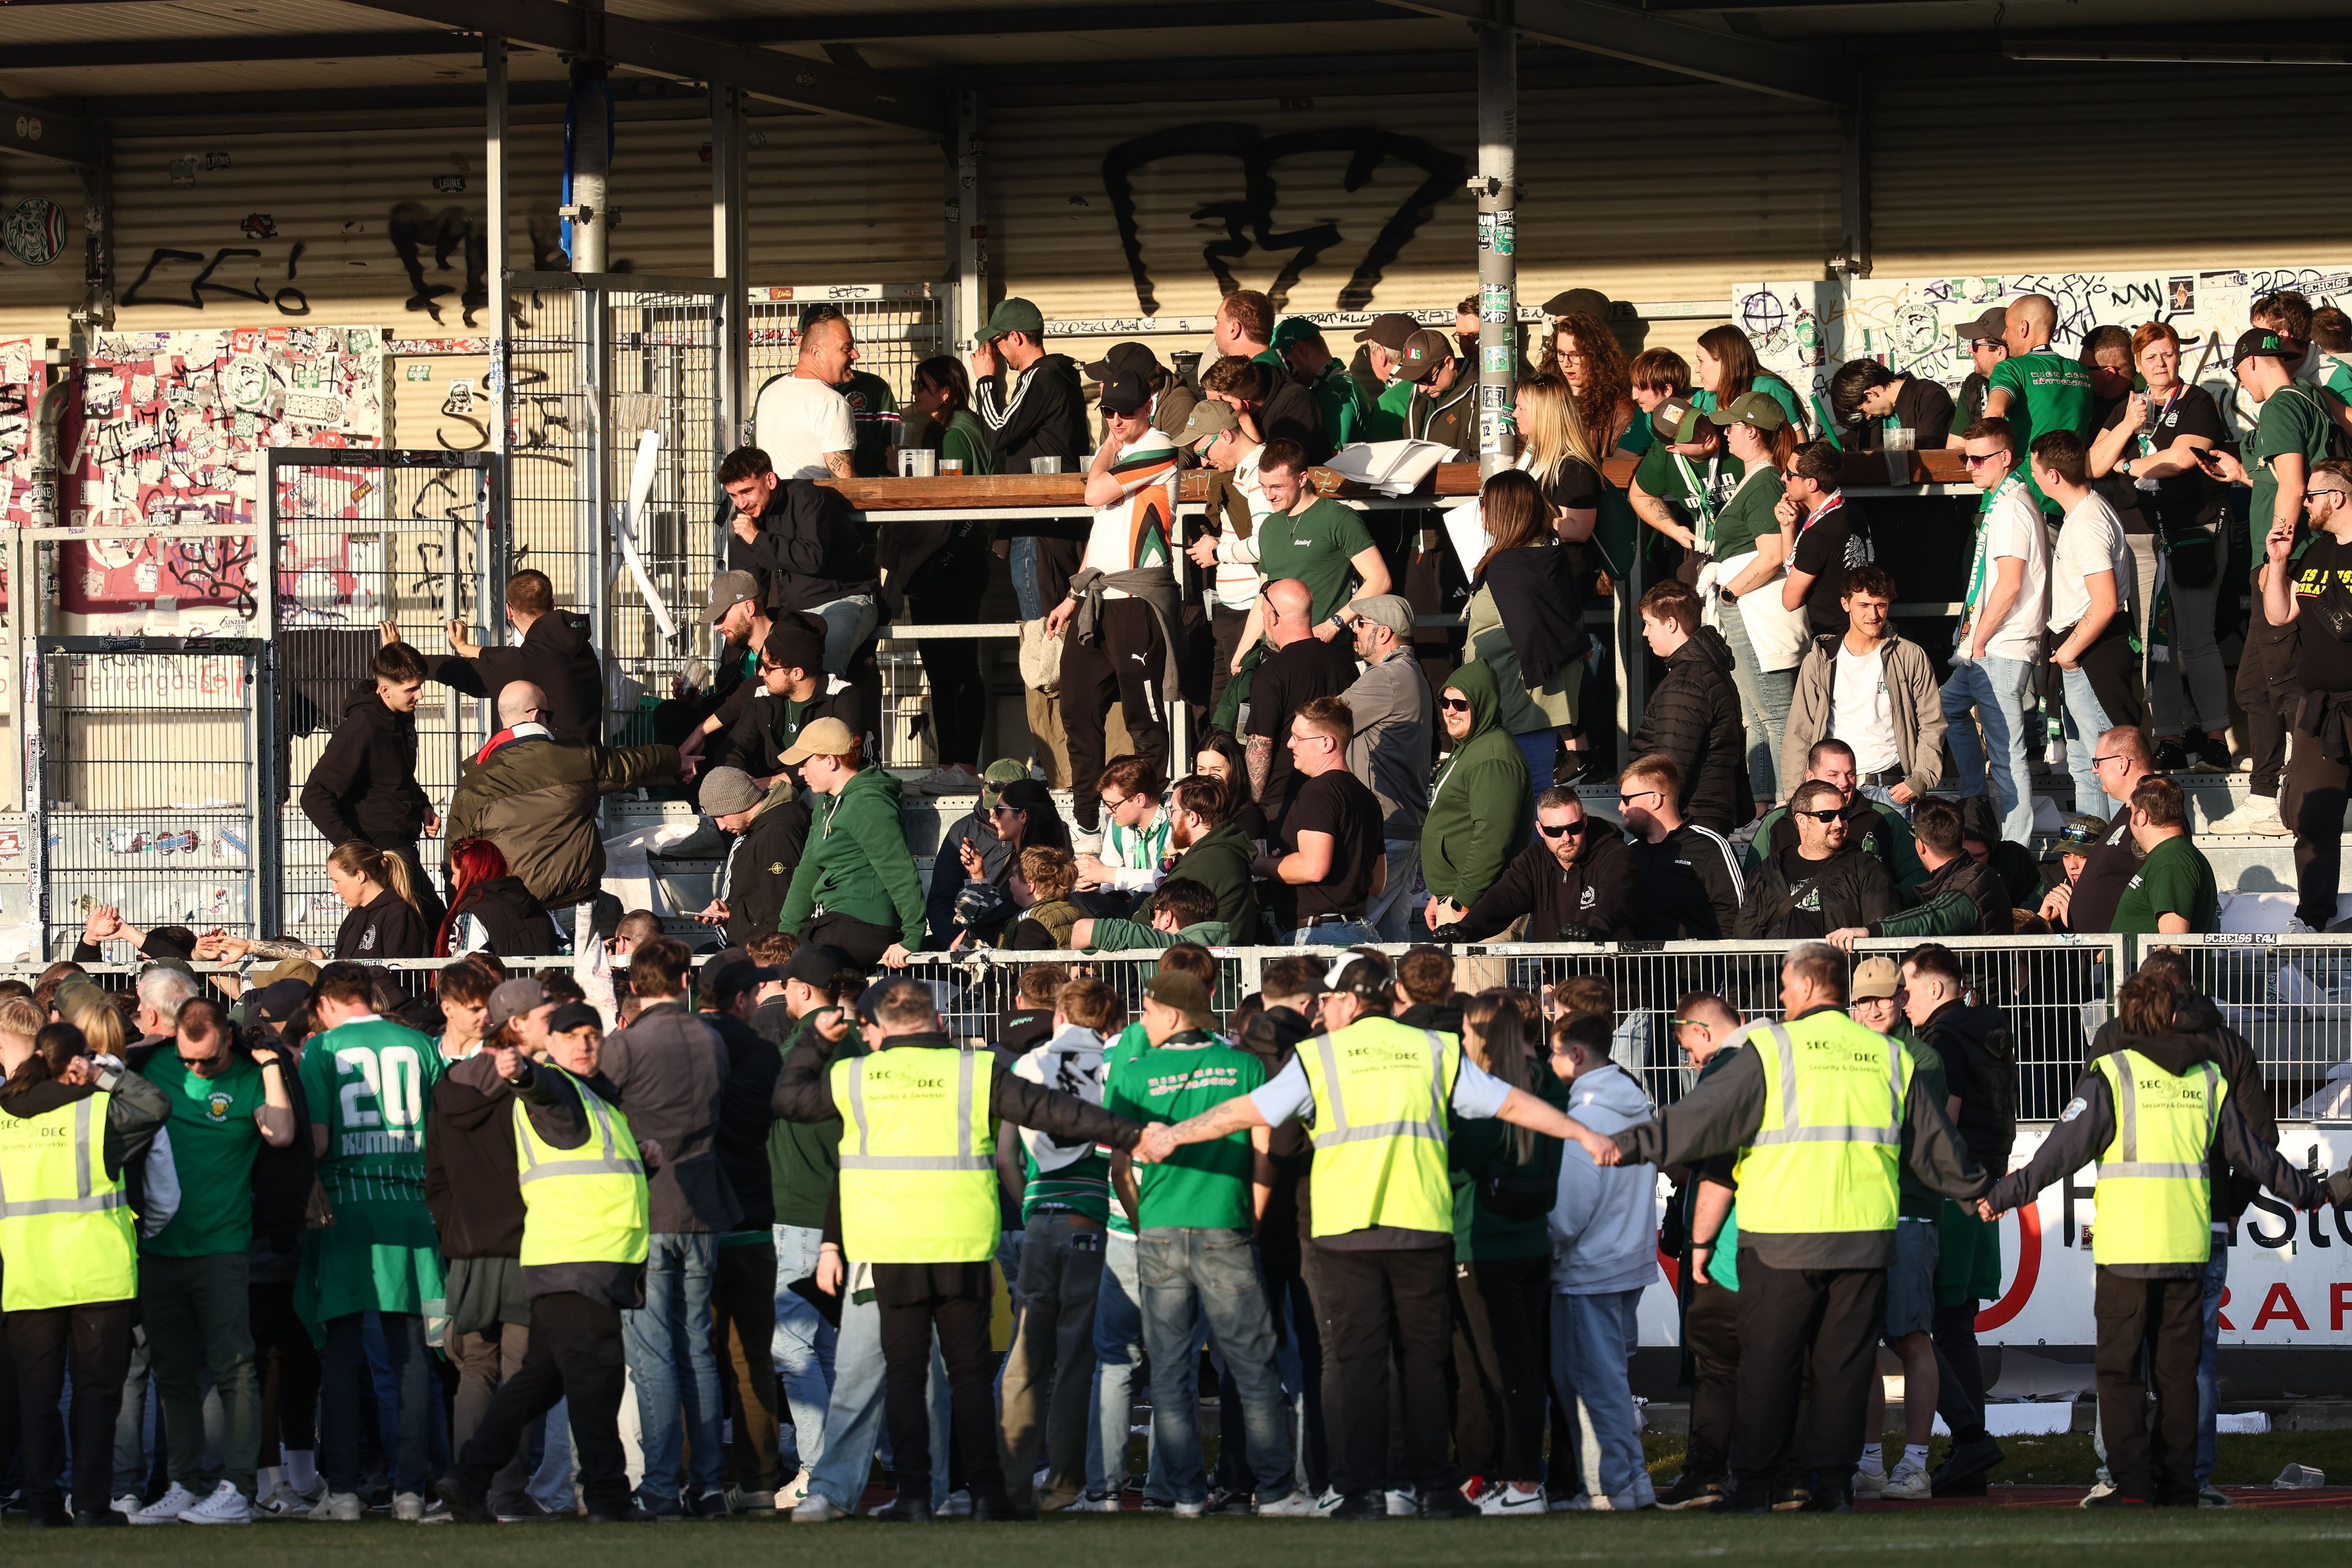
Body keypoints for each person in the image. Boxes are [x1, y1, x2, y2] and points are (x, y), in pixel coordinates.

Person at [1133, 954, 1611, 1522]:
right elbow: (1511, 1102)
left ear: (1353, 1002)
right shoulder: (1436, 1050)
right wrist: (1581, 1130)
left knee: (1355, 1363)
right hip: (1422, 1226)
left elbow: (1247, 1112)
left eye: (1331, 999)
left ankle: (1357, 1486)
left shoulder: (1319, 1056)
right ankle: (1430, 1484)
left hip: (1345, 1230)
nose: (1323, 1008)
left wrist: (1173, 1136)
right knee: (1425, 1363)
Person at [1603, 943, 1989, 1513]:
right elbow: (1938, 1148)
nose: (1780, 996)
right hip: (1863, 1239)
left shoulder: (1770, 1048)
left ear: (1807, 987)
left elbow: (1702, 1121)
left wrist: (1627, 1143)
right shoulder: (1887, 1057)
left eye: (1785, 985)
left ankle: (1755, 1484)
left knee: (1768, 1365)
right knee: (1842, 1368)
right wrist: (1983, 1193)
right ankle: (1827, 1485)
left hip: (1781, 1237)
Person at [771, 978, 1144, 1523]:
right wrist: (1134, 1133)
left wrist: (816, 1042)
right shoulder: (974, 1070)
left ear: (876, 1030)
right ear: (938, 1021)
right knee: (968, 1375)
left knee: (904, 1374)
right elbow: (1057, 1113)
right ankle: (986, 1492)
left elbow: (787, 1098)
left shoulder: (856, 1075)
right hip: (962, 1244)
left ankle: (917, 1495)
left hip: (890, 1246)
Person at [1982, 971, 2347, 1507]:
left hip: (2127, 1250)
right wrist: (2311, 1194)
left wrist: (2005, 1194)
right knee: (2181, 1373)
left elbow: (2059, 1153)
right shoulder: (2207, 1080)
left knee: (2120, 1369)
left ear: (2129, 1017)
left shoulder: (2114, 1073)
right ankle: (2182, 1486)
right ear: (2175, 1015)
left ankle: (2128, 1484)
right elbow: (2257, 1156)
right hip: (2191, 1249)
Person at [436, 1001, 654, 1525]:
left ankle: (468, 1479)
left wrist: (642, 1163)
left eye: (591, 1034)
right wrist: (525, 1072)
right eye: (571, 1034)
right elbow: (542, 1091)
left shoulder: (598, 1098)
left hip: (579, 1261)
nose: (584, 1043)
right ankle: (607, 1497)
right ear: (549, 1043)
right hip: (577, 1260)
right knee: (595, 1381)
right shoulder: (558, 1089)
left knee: (542, 1380)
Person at [1099, 971, 1301, 1514]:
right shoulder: (1243, 1065)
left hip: (1161, 1228)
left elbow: (1122, 1170)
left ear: (1170, 1014)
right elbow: (1264, 1153)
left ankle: (1185, 1494)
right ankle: (1277, 1490)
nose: (1142, 1021)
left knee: (1168, 1370)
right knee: (1253, 1364)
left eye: (1147, 1010)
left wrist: (1146, 1226)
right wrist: (1252, 1219)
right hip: (1227, 1225)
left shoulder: (1137, 1073)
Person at [126, 996, 298, 1526]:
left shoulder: (252, 1074)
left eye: (204, 1059)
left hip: (222, 1248)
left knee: (236, 1367)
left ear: (226, 1035)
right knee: (173, 1371)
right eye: (186, 1060)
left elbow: (283, 1134)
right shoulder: (155, 1063)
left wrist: (270, 1063)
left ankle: (240, 1490)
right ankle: (184, 1482)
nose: (194, 1068)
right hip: (157, 1247)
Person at [0, 1003, 171, 1528]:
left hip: (29, 1276)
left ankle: (43, 1502)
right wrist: (100, 1071)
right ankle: (94, 1503)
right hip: (99, 1275)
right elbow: (155, 1103)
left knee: (37, 1396)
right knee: (98, 1396)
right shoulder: (98, 1113)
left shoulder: (4, 1114)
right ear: (73, 1060)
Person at [596, 937, 739, 1518]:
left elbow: (603, 1117)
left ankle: (660, 1483)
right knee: (697, 1348)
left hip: (649, 1210)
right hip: (703, 1205)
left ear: (634, 985)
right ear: (685, 981)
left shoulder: (625, 1046)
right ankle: (706, 1483)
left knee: (652, 1349)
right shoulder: (712, 1039)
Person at [297, 961, 446, 1521]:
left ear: (326, 1003)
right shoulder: (419, 1045)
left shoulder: (321, 1051)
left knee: (340, 1350)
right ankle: (411, 1490)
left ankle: (342, 1492)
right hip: (410, 1208)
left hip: (345, 1206)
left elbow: (315, 1138)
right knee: (410, 1351)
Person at [425, 977, 552, 1524]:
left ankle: (472, 1486)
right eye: (545, 1011)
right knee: (522, 1370)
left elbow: (436, 1175)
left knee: (476, 1368)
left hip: (470, 1247)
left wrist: (457, 1228)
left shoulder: (450, 1083)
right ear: (517, 1023)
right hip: (527, 1243)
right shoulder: (532, 1087)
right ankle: (505, 1491)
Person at [994, 977, 1118, 1512]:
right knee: (1075, 1360)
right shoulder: (1114, 1065)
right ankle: (1064, 1483)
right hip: (1090, 1214)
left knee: (1025, 1357)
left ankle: (1009, 1483)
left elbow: (1005, 1157)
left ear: (1059, 1015)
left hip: (1039, 1211)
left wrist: (1030, 1203)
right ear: (1108, 1020)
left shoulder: (1025, 1066)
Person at [2210, 331, 2341, 835]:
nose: (2241, 382)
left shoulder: (2280, 407)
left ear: (2252, 362)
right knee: (2255, 683)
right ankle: (2279, 787)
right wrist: (2245, 475)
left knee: (2275, 683)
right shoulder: (2310, 398)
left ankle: (2274, 795)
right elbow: (2284, 476)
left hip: (2285, 561)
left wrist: (2276, 561)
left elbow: (2292, 483)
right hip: (2302, 557)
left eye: (2239, 370)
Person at [1044, 367, 1183, 840]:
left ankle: (1148, 815)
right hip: (1099, 597)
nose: (1117, 420)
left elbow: (1093, 492)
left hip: (1136, 600)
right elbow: (1101, 531)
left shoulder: (1158, 446)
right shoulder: (1125, 452)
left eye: (1126, 411)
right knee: (1077, 707)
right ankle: (1088, 818)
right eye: (1108, 412)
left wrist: (1108, 444)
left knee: (1144, 718)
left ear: (1149, 406)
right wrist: (1073, 595)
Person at [2089, 322, 2231, 774]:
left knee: (2196, 638)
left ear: (2179, 356)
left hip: (2193, 532)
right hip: (2140, 536)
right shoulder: (2128, 406)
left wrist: (2128, 461)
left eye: (2167, 354)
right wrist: (2128, 425)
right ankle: (2168, 736)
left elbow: (2183, 458)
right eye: (2150, 357)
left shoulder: (2197, 401)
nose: (2160, 363)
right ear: (2137, 363)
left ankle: (2214, 736)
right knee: (2156, 644)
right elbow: (2093, 463)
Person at [753, 942, 861, 1509]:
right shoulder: (857, 1038)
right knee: (823, 1348)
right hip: (838, 1209)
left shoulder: (808, 1042)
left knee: (792, 1347)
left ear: (800, 989)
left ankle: (820, 1471)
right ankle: (843, 1465)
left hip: (802, 1209)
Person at [1839, 958, 1944, 1505]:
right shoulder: (1850, 1054)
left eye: (1884, 997)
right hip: (1856, 1214)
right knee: (1861, 1345)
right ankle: (1872, 1461)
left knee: (1909, 1339)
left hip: (1906, 1213)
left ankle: (1917, 1462)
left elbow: (1926, 1141)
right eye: (1864, 1000)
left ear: (1904, 999)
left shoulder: (1921, 1057)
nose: (1874, 1007)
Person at [1545, 1011, 1659, 1512]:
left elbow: (1568, 1209)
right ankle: (1629, 1480)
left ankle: (1609, 1486)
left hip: (1587, 1267)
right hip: (1626, 1259)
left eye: (1554, 1052)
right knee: (1611, 1381)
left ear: (1575, 1054)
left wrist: (1545, 1249)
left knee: (1591, 1384)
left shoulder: (1586, 1112)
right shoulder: (1633, 1102)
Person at [443, 681, 677, 915]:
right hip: (576, 905)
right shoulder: (576, 758)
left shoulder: (474, 783)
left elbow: (454, 858)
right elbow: (630, 763)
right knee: (617, 916)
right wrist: (677, 758)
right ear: (535, 715)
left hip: (511, 910)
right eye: (549, 715)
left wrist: (459, 913)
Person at [691, 951, 786, 1512]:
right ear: (744, 999)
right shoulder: (763, 1054)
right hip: (750, 1217)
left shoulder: (684, 1047)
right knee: (752, 1358)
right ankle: (757, 1481)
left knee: (689, 1355)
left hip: (692, 1217)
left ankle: (690, 1477)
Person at [890, 355, 999, 789]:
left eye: (923, 384)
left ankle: (960, 764)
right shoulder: (963, 428)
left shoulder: (956, 435)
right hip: (963, 564)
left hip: (951, 566)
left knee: (949, 666)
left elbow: (953, 505)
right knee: (951, 665)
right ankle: (955, 762)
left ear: (946, 392)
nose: (915, 391)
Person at [1944, 417, 2052, 845]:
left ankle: (2016, 849)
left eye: (1978, 458)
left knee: (2008, 757)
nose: (1969, 466)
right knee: (1944, 708)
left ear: (2005, 458)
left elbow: (2009, 584)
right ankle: (1974, 797)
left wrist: (1981, 640)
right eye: (1964, 457)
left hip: (1999, 649)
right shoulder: (2003, 500)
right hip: (1987, 648)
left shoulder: (2010, 506)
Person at [1656, 993, 1745, 1510]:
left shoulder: (1729, 1072)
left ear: (1704, 1032)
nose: (1690, 1061)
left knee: (1716, 1363)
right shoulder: (1775, 1062)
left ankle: (1712, 1470)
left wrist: (1701, 1244)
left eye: (1691, 1050)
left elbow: (1712, 1166)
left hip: (1729, 1243)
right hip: (1769, 1238)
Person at [2257, 455, 2352, 926]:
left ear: (2336, 497)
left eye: (2310, 495)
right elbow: (2279, 614)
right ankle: (2313, 914)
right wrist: (2277, 564)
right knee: (2312, 818)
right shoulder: (2315, 552)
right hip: (2319, 710)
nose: (2304, 503)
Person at [1779, 564, 1946, 818]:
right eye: (1864, 605)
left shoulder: (1910, 655)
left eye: (1881, 605)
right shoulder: (1821, 659)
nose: (1874, 615)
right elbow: (1799, 730)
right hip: (1833, 790)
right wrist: (1795, 795)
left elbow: (1932, 722)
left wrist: (1919, 778)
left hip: (1891, 788)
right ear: (1846, 604)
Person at [1705, 392, 1806, 807]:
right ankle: (1764, 806)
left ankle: (1786, 805)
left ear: (1751, 432)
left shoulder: (1765, 481)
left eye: (1731, 426)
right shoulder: (1757, 478)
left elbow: (1774, 555)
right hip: (1748, 609)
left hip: (1755, 611)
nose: (1725, 433)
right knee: (1756, 714)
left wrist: (1730, 592)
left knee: (1774, 713)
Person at [2037, 429, 2141, 810]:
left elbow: (2105, 602)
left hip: (2093, 653)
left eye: (2035, 468)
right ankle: (2095, 860)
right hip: (2083, 649)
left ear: (2054, 476)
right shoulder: (2083, 515)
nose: (2032, 476)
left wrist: (2068, 652)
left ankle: (2121, 855)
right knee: (2085, 766)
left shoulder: (2088, 524)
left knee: (2112, 768)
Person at [1466, 465, 1588, 791]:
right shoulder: (1545, 552)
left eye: (1484, 502)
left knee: (1526, 794)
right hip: (1530, 697)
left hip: (1518, 699)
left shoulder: (1509, 563)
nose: (1480, 511)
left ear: (1503, 510)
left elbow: (1532, 631)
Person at [971, 298, 1091, 614]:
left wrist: (985, 380)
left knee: (1042, 627)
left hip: (1040, 526)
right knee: (1058, 620)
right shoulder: (1059, 377)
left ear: (1017, 337)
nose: (994, 351)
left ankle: (1045, 668)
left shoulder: (1040, 377)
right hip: (1056, 521)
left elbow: (996, 431)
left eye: (997, 341)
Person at [774, 717, 925, 967]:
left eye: (805, 763)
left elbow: (897, 868)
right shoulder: (826, 804)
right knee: (779, 963)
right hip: (837, 918)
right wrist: (786, 933)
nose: (800, 772)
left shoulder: (867, 802)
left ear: (830, 761)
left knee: (802, 972)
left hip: (866, 923)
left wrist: (913, 935)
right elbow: (808, 870)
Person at [718, 447, 880, 677]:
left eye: (747, 492)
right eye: (734, 496)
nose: (742, 503)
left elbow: (813, 559)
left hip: (846, 599)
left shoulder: (807, 499)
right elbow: (749, 585)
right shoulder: (748, 520)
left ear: (771, 480)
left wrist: (758, 539)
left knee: (820, 670)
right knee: (769, 675)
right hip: (795, 613)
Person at [300, 638, 438, 905]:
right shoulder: (362, 728)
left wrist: (423, 806)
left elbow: (396, 776)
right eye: (412, 689)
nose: (419, 695)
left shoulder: (401, 715)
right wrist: (360, 851)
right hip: (383, 852)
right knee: (420, 931)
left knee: (433, 927)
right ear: (385, 690)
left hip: (403, 845)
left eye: (420, 687)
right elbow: (315, 795)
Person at [1328, 596, 1432, 941]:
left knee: (1349, 935)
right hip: (1400, 825)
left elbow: (1324, 719)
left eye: (1360, 624)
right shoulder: (1408, 671)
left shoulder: (1387, 677)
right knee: (1390, 938)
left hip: (1385, 828)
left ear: (1384, 633)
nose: (1353, 632)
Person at [416, 570, 603, 746]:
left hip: (557, 770)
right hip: (591, 761)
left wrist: (404, 660)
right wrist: (465, 648)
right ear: (552, 605)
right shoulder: (576, 645)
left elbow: (468, 673)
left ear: (509, 611)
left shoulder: (530, 661)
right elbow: (511, 657)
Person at [1258, 697, 1385, 946]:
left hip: (1320, 936)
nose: (1290, 744)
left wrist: (1260, 864)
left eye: (1299, 737)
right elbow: (1377, 882)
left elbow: (1313, 867)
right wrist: (1285, 860)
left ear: (1326, 743)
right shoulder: (1367, 798)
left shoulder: (1318, 792)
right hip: (1360, 933)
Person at [1439, 785, 1637, 944]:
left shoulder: (1614, 853)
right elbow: (1502, 899)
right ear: (1540, 830)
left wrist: (1597, 930)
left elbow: (1616, 895)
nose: (1566, 838)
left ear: (1584, 821)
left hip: (1617, 985)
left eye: (1574, 827)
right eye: (1554, 831)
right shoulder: (1533, 861)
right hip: (1562, 986)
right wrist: (1466, 928)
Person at [1628, 579, 1749, 835]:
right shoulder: (1704, 671)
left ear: (1671, 624)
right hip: (1703, 815)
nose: (1645, 633)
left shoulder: (1687, 682)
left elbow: (1670, 765)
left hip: (1688, 821)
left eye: (1649, 624)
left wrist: (1651, 813)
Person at [1421, 662, 1535, 933]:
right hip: (1460, 900)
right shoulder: (1471, 748)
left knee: (1476, 978)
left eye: (1461, 704)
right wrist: (1441, 895)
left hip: (1479, 906)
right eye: (1444, 701)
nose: (1450, 711)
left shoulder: (1493, 758)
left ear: (1483, 703)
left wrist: (1462, 901)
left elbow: (1492, 840)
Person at [1075, 774, 1257, 943]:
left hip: (1200, 962)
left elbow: (1145, 918)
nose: (1170, 818)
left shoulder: (1202, 864)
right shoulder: (1216, 851)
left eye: (1173, 811)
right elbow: (1162, 873)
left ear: (1192, 818)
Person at [1241, 577, 1361, 825]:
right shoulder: (1345, 664)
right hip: (1338, 791)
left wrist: (1253, 803)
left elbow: (1260, 745)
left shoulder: (1271, 672)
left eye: (1264, 614)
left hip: (1282, 801)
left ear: (1273, 617)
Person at [1734, 779, 1902, 940]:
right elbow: (1746, 945)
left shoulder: (1868, 869)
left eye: (1843, 814)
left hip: (1843, 968)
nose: (1839, 824)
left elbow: (1881, 939)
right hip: (1779, 968)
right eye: (1826, 816)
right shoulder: (1767, 873)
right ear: (1802, 821)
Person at [1827, 800, 2007, 947]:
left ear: (1919, 845)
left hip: (1982, 990)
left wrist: (1871, 931)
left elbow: (1934, 917)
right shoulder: (1973, 875)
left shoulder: (1974, 882)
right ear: (1961, 838)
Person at [1979, 293, 2095, 513]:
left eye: (2008, 327)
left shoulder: (2012, 368)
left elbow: (1994, 415)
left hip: (2019, 497)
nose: (2005, 334)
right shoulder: (2081, 373)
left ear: (2023, 328)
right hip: (2068, 503)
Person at [1620, 755, 1744, 940]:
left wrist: (1724, 967)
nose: (1621, 807)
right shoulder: (1630, 853)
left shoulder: (1710, 847)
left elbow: (1736, 920)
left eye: (1627, 799)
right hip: (1642, 968)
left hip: (1701, 967)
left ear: (1655, 799)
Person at [694, 768, 808, 950]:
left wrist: (769, 962)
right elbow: (761, 902)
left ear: (738, 803)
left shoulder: (775, 835)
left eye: (721, 816)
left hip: (765, 957)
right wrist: (732, 914)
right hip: (755, 952)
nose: (721, 826)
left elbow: (781, 908)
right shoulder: (757, 833)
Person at [1215, 288, 1326, 459]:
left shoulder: (1282, 391)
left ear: (1234, 329)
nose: (1214, 330)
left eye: (1218, 322)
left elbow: (1285, 464)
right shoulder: (1284, 375)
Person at [1627, 396, 1739, 560]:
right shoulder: (1662, 458)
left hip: (1753, 541)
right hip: (1705, 544)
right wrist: (1674, 530)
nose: (1703, 433)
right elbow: (1640, 496)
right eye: (1690, 435)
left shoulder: (1734, 436)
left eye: (1700, 421)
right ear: (1674, 449)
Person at [753, 312, 858, 480]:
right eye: (846, 349)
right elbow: (845, 482)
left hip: (778, 503)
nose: (856, 355)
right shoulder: (831, 402)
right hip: (814, 503)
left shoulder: (770, 392)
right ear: (817, 353)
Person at [2108, 775, 2218, 935]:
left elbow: (2173, 946)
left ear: (2142, 816)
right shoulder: (2169, 856)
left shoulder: (2172, 861)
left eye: (2131, 813)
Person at [1778, 439, 1866, 638]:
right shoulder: (1852, 511)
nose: (1784, 477)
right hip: (1861, 630)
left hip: (1836, 640)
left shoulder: (1819, 535)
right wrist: (1788, 526)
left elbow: (1790, 601)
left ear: (1811, 483)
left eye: (1790, 474)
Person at [436, 838, 559, 959]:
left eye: (455, 873)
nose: (452, 881)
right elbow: (566, 958)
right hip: (545, 979)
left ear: (470, 875)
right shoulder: (542, 911)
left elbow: (469, 974)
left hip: (498, 979)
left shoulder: (472, 916)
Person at [323, 838, 433, 960]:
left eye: (337, 881)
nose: (335, 890)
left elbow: (400, 973)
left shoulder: (399, 914)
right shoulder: (353, 918)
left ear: (360, 876)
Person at [1692, 323, 1808, 434]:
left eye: (1701, 361)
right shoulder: (1710, 398)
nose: (1697, 369)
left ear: (1724, 362)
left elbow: (1799, 447)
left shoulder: (1769, 389)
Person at [1828, 359, 1956, 452]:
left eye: (1863, 411)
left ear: (1870, 394)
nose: (1867, 417)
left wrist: (1874, 455)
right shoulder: (1876, 416)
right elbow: (1851, 440)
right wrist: (1826, 448)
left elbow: (1928, 447)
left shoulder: (1930, 395)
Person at [1392, 330, 1471, 453]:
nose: (1422, 389)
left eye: (1427, 379)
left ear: (1449, 363)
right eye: (1416, 381)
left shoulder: (1476, 392)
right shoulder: (1419, 396)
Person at [1945, 307, 2009, 436]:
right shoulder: (1973, 384)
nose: (1970, 350)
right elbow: (1955, 446)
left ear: (2000, 352)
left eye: (1975, 344)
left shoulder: (2027, 382)